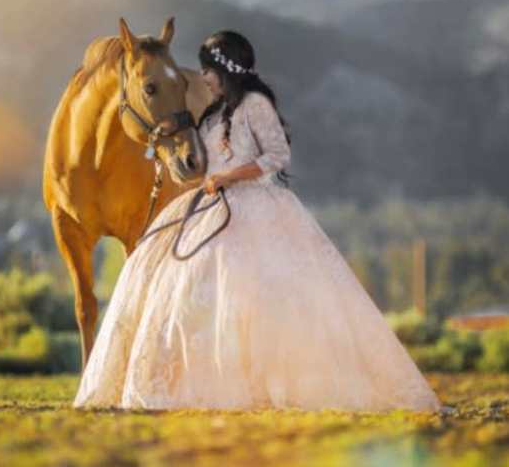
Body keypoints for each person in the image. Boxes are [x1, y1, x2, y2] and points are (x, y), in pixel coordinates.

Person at [73, 30, 442, 412]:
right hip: (213, 204)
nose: (203, 78)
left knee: (254, 293)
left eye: (208, 70)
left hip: (255, 207)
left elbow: (277, 156)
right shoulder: (215, 112)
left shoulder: (255, 105)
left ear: (225, 69)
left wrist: (229, 177)